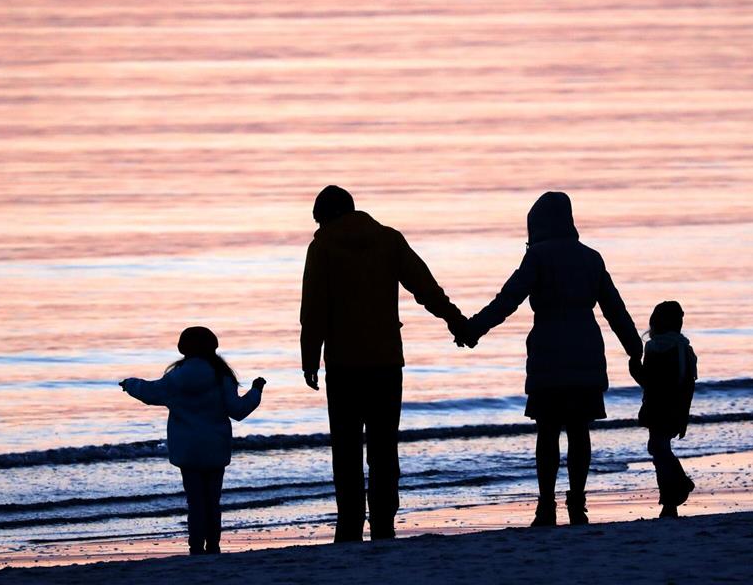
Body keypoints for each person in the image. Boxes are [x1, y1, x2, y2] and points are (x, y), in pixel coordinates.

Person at [299, 185, 472, 542]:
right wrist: (455, 320)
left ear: (325, 216)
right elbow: (425, 288)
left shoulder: (323, 247)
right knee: (383, 446)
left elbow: (313, 308)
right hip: (386, 362)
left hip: (344, 364)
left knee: (346, 448)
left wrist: (309, 358)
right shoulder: (389, 240)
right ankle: (383, 521)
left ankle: (349, 523)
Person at [462, 191, 642, 526]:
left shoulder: (538, 257)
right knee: (579, 430)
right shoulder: (591, 258)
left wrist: (474, 329)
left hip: (547, 352)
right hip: (586, 351)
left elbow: (508, 300)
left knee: (547, 432)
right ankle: (577, 501)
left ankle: (546, 504)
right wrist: (635, 350)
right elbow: (615, 310)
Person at [120, 326, 265, 554]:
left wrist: (129, 384)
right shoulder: (221, 376)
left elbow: (149, 392)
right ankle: (213, 545)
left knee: (195, 502)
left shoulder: (176, 379)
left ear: (182, 348)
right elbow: (238, 410)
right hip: (215, 447)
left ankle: (196, 546)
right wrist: (256, 390)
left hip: (187, 450)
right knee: (212, 501)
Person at [630, 300, 697, 518]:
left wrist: (635, 372)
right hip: (669, 407)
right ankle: (671, 500)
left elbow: (650, 381)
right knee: (659, 450)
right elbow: (687, 385)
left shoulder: (662, 349)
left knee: (659, 449)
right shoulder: (682, 349)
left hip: (661, 407)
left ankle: (676, 489)